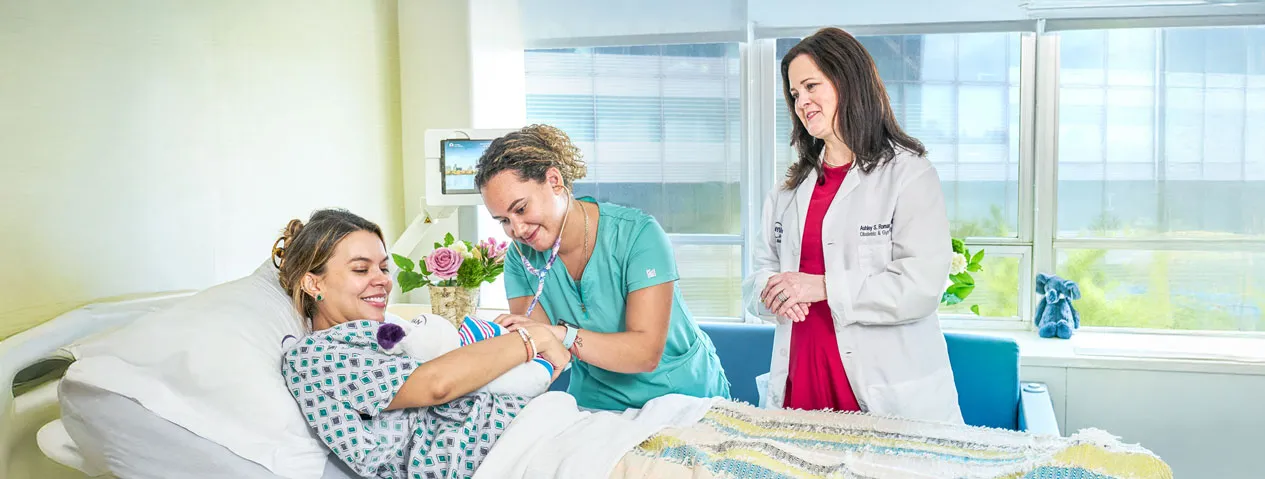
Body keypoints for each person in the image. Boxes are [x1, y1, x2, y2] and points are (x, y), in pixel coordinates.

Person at [744, 27, 963, 424]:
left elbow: (921, 286)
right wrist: (771, 292)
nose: (801, 102)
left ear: (847, 79)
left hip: (882, 390)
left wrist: (821, 286)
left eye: (811, 86)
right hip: (802, 383)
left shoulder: (908, 174)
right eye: (794, 94)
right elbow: (760, 273)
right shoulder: (788, 189)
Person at [275, 209, 571, 478]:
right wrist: (535, 338)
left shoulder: (387, 332)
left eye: (383, 268)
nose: (383, 281)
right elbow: (436, 384)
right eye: (361, 270)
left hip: (538, 432)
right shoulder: (314, 357)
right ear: (314, 283)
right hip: (508, 457)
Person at [474, 124, 731, 412]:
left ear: (554, 180)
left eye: (520, 209)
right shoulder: (520, 258)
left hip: (681, 396)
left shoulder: (639, 235)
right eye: (503, 221)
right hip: (597, 402)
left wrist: (561, 334)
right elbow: (542, 348)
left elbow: (645, 353)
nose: (517, 229)